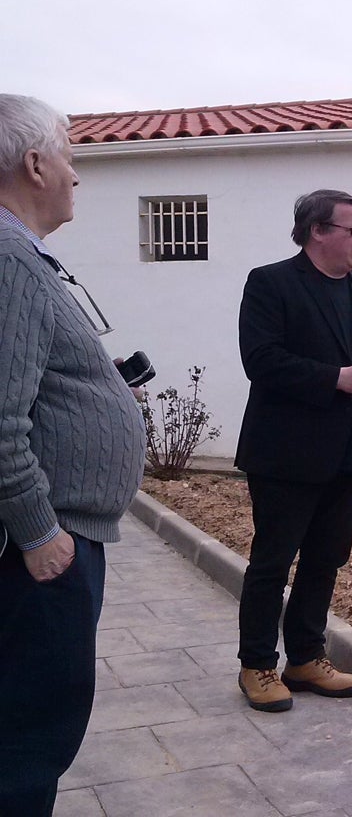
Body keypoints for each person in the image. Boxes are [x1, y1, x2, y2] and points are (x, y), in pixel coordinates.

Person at [0, 94, 146, 815]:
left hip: (47, 540)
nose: (75, 173)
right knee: (28, 740)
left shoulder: (20, 256)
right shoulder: (10, 260)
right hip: (37, 551)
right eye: (66, 153)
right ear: (33, 164)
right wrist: (38, 533)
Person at [234, 189, 352, 712]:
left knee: (325, 558)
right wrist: (336, 378)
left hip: (346, 447)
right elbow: (262, 360)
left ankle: (306, 657)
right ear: (318, 231)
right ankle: (256, 665)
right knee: (272, 562)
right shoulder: (271, 283)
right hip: (285, 451)